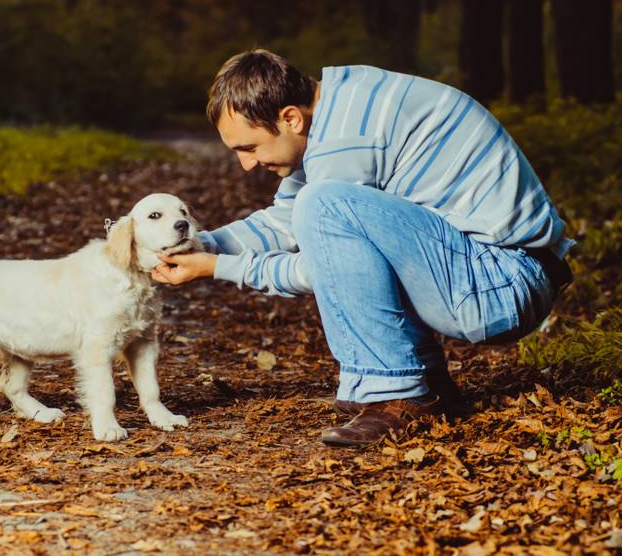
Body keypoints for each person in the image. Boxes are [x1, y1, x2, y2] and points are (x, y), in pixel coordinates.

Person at [151, 49, 573, 447]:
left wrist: (217, 267)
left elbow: (325, 268)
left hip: (503, 284)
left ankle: (398, 392)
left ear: (291, 118)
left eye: (249, 147)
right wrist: (196, 244)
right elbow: (285, 219)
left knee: (324, 204)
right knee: (321, 204)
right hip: (494, 272)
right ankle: (424, 384)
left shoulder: (345, 141)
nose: (246, 164)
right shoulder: (340, 109)